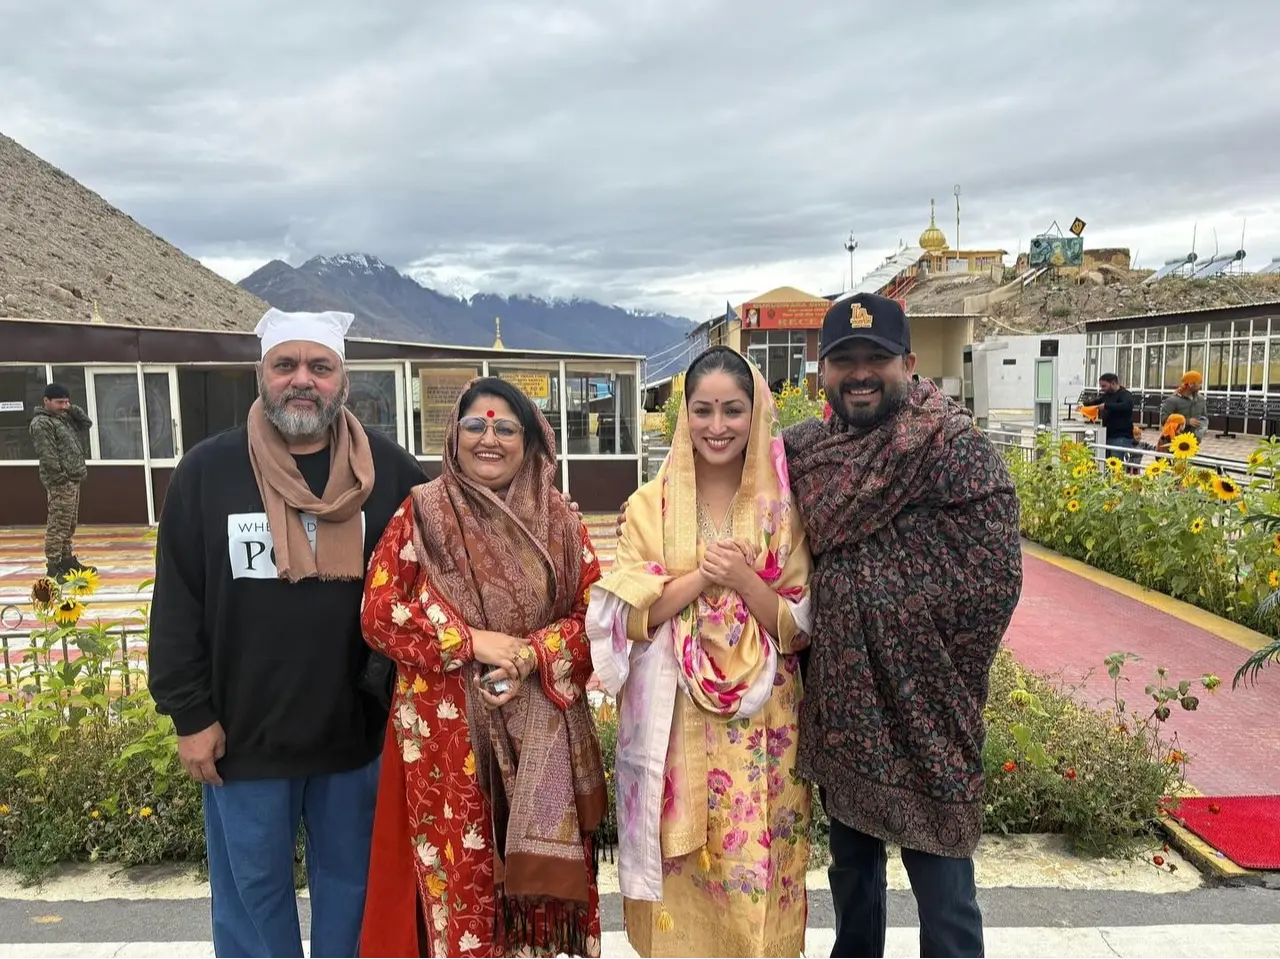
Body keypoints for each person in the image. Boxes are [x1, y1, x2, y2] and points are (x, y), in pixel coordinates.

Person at [147, 308, 428, 959]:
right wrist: (190, 715)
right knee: (252, 898)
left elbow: (456, 553)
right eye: (286, 365)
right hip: (243, 735)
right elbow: (179, 604)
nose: (303, 380)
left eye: (319, 366)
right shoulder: (207, 473)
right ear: (261, 373)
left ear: (343, 379)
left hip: (356, 734)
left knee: (353, 894)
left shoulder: (390, 474)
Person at [784, 293, 1023, 959]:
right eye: (844, 360)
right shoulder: (805, 455)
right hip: (847, 708)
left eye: (876, 359)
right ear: (821, 372)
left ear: (909, 364)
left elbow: (993, 578)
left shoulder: (953, 449)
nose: (860, 373)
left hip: (927, 711)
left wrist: (908, 636)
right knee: (852, 878)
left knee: (945, 894)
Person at [359, 377, 607, 959]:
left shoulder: (560, 522)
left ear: (531, 441)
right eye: (475, 425)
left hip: (541, 730)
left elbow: (593, 615)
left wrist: (529, 655)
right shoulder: (421, 514)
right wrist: (470, 641)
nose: (488, 438)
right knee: (463, 890)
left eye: (504, 427)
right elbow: (379, 613)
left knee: (537, 911)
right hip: (447, 741)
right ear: (455, 434)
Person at [588, 346, 814, 959]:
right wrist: (703, 579)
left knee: (755, 870)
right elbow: (630, 616)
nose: (718, 427)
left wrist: (746, 581)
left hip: (763, 730)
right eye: (703, 410)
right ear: (683, 415)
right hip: (674, 726)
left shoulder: (784, 514)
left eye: (733, 411)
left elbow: (798, 628)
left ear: (756, 416)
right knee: (682, 887)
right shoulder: (647, 506)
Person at [29, 382, 96, 578]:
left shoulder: (64, 418)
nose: (63, 406)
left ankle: (67, 561)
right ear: (46, 401)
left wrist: (71, 408)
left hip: (73, 479)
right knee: (58, 525)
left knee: (69, 524)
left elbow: (86, 423)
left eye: (66, 402)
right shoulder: (42, 423)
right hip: (60, 482)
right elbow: (48, 454)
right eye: (59, 402)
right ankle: (53, 566)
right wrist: (61, 478)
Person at [1160, 371, 1208, 441]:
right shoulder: (1172, 400)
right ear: (1191, 384)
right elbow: (1164, 420)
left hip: (1192, 443)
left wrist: (1201, 431)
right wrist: (1186, 421)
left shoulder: (1201, 400)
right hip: (1173, 442)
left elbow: (1204, 418)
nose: (1200, 386)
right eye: (1199, 384)